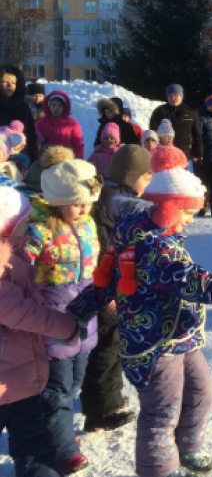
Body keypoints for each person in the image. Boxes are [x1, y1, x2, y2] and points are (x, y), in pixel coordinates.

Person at [67, 146, 212, 477]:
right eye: (187, 212)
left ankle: (188, 447)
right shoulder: (152, 245)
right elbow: (191, 280)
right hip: (155, 343)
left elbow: (106, 281)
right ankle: (159, 469)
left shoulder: (154, 233)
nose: (191, 219)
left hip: (182, 334)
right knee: (162, 410)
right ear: (169, 208)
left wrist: (81, 308)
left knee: (200, 393)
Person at [24, 149, 102, 475]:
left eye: (88, 201)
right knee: (57, 388)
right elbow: (20, 265)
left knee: (77, 381)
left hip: (85, 316)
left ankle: (61, 430)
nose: (83, 208)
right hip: (54, 317)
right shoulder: (38, 229)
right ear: (57, 199)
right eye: (76, 201)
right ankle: (63, 448)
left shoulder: (86, 225)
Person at [0, 185, 80, 477]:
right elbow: (19, 311)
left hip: (22, 377)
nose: (26, 233)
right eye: (22, 227)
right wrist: (65, 325)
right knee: (33, 442)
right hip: (9, 379)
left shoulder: (14, 255)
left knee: (35, 442)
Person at [81, 145, 152, 435]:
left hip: (115, 288)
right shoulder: (113, 206)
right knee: (108, 344)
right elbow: (105, 252)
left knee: (112, 343)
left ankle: (106, 396)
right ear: (132, 176)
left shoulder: (116, 200)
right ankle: (101, 410)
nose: (148, 185)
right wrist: (109, 291)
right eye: (146, 178)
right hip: (108, 291)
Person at [148, 85, 202, 163]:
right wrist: (157, 145)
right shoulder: (160, 111)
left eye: (176, 95)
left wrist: (198, 152)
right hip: (164, 151)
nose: (173, 98)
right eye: (170, 96)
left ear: (181, 96)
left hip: (184, 152)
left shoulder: (190, 112)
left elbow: (197, 134)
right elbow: (153, 132)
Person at [0, 66, 39, 164]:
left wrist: (34, 159)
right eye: (5, 82)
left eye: (13, 83)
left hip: (19, 155)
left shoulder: (23, 107)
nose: (10, 85)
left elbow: (30, 133)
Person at [35, 91, 85, 159]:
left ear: (64, 108)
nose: (56, 108)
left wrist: (79, 160)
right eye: (54, 105)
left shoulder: (72, 124)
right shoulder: (40, 122)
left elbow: (78, 145)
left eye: (60, 106)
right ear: (49, 106)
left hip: (65, 159)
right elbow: (35, 141)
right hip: (45, 159)